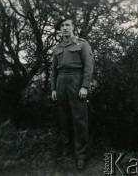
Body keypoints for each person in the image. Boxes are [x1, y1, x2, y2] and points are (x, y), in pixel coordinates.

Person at [51, 17, 94, 170]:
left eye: (67, 25)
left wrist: (85, 86)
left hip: (76, 81)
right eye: (62, 26)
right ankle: (67, 148)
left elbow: (89, 67)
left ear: (73, 27)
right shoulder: (57, 48)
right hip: (61, 82)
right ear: (60, 29)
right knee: (64, 118)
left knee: (79, 119)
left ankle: (81, 155)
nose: (65, 28)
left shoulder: (82, 44)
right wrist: (54, 89)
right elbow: (53, 71)